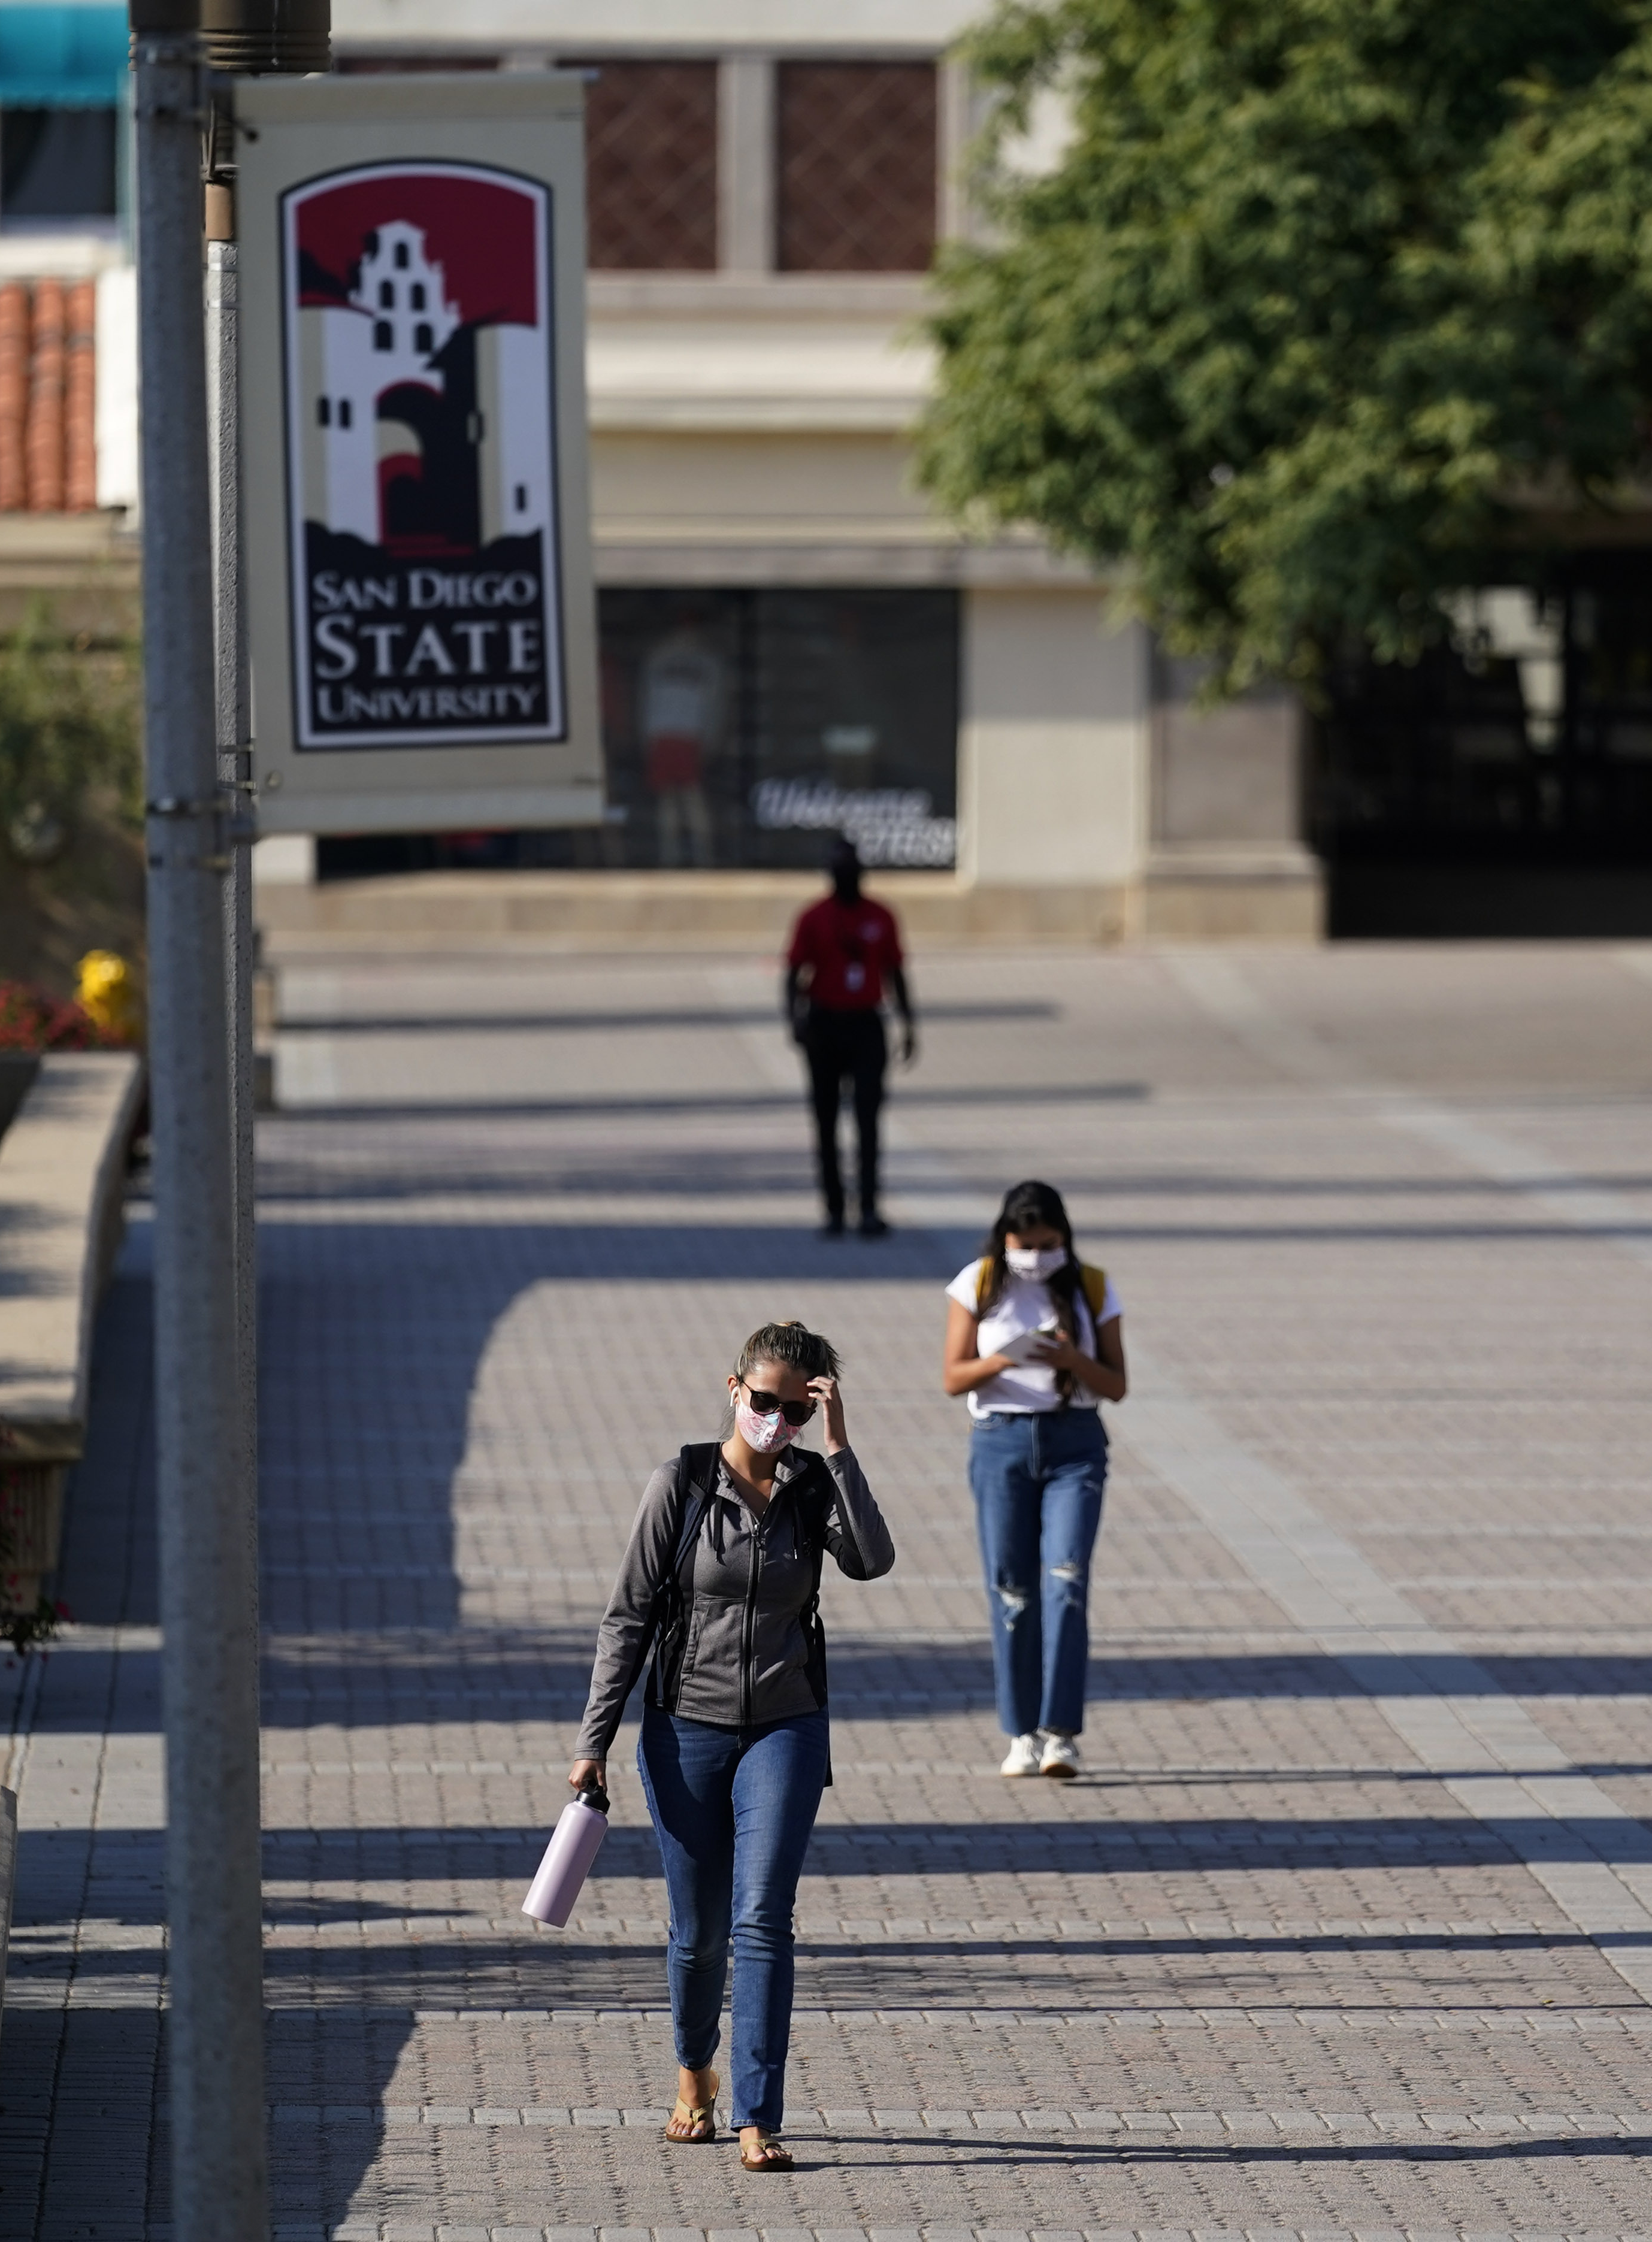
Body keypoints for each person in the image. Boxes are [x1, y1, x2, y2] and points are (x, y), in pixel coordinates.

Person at [570, 1320, 895, 2174]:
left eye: (794, 1407)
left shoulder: (812, 1483)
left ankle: (757, 2115)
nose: (775, 1419)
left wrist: (840, 1446)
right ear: (732, 1388)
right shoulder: (678, 1482)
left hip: (787, 1724)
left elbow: (870, 1560)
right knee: (698, 1933)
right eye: (764, 1401)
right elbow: (628, 1617)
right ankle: (693, 2073)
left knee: (762, 1919)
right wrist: (592, 1742)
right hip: (684, 1731)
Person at [940, 1180, 1127, 1778]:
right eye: (1027, 1244)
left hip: (1074, 1441)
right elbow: (952, 1375)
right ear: (1005, 1237)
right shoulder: (979, 1281)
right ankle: (1020, 1730)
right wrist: (1007, 1355)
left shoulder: (1091, 1283)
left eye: (1050, 1244)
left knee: (1066, 1580)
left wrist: (1072, 1359)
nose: (1038, 1256)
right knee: (1011, 1588)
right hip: (1001, 1441)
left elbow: (1117, 1385)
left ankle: (1061, 1733)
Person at [783, 839, 916, 1238]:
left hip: (866, 1024)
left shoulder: (881, 916)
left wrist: (909, 1024)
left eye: (852, 869)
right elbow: (794, 972)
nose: (846, 877)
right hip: (825, 1023)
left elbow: (896, 972)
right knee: (825, 1122)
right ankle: (834, 1208)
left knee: (868, 1118)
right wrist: (795, 1019)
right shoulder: (813, 917)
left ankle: (870, 1207)